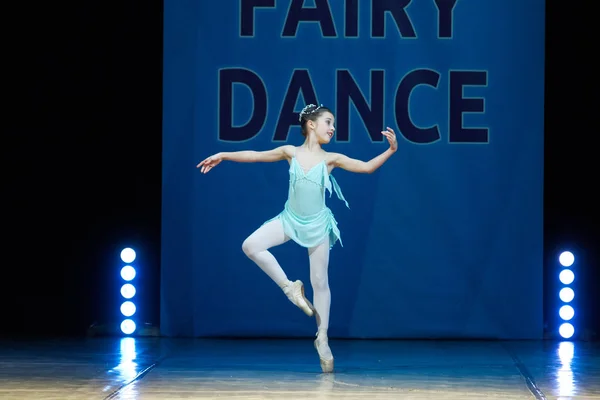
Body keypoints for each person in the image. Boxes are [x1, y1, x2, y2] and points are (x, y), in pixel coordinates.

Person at [196, 104, 397, 373]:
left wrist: (391, 150)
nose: (332, 128)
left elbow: (366, 167)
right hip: (289, 220)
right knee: (251, 245)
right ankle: (290, 288)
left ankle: (322, 337)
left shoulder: (331, 158)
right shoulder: (289, 152)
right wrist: (223, 154)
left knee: (319, 281)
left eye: (333, 123)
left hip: (317, 225)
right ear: (311, 125)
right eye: (328, 122)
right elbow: (254, 155)